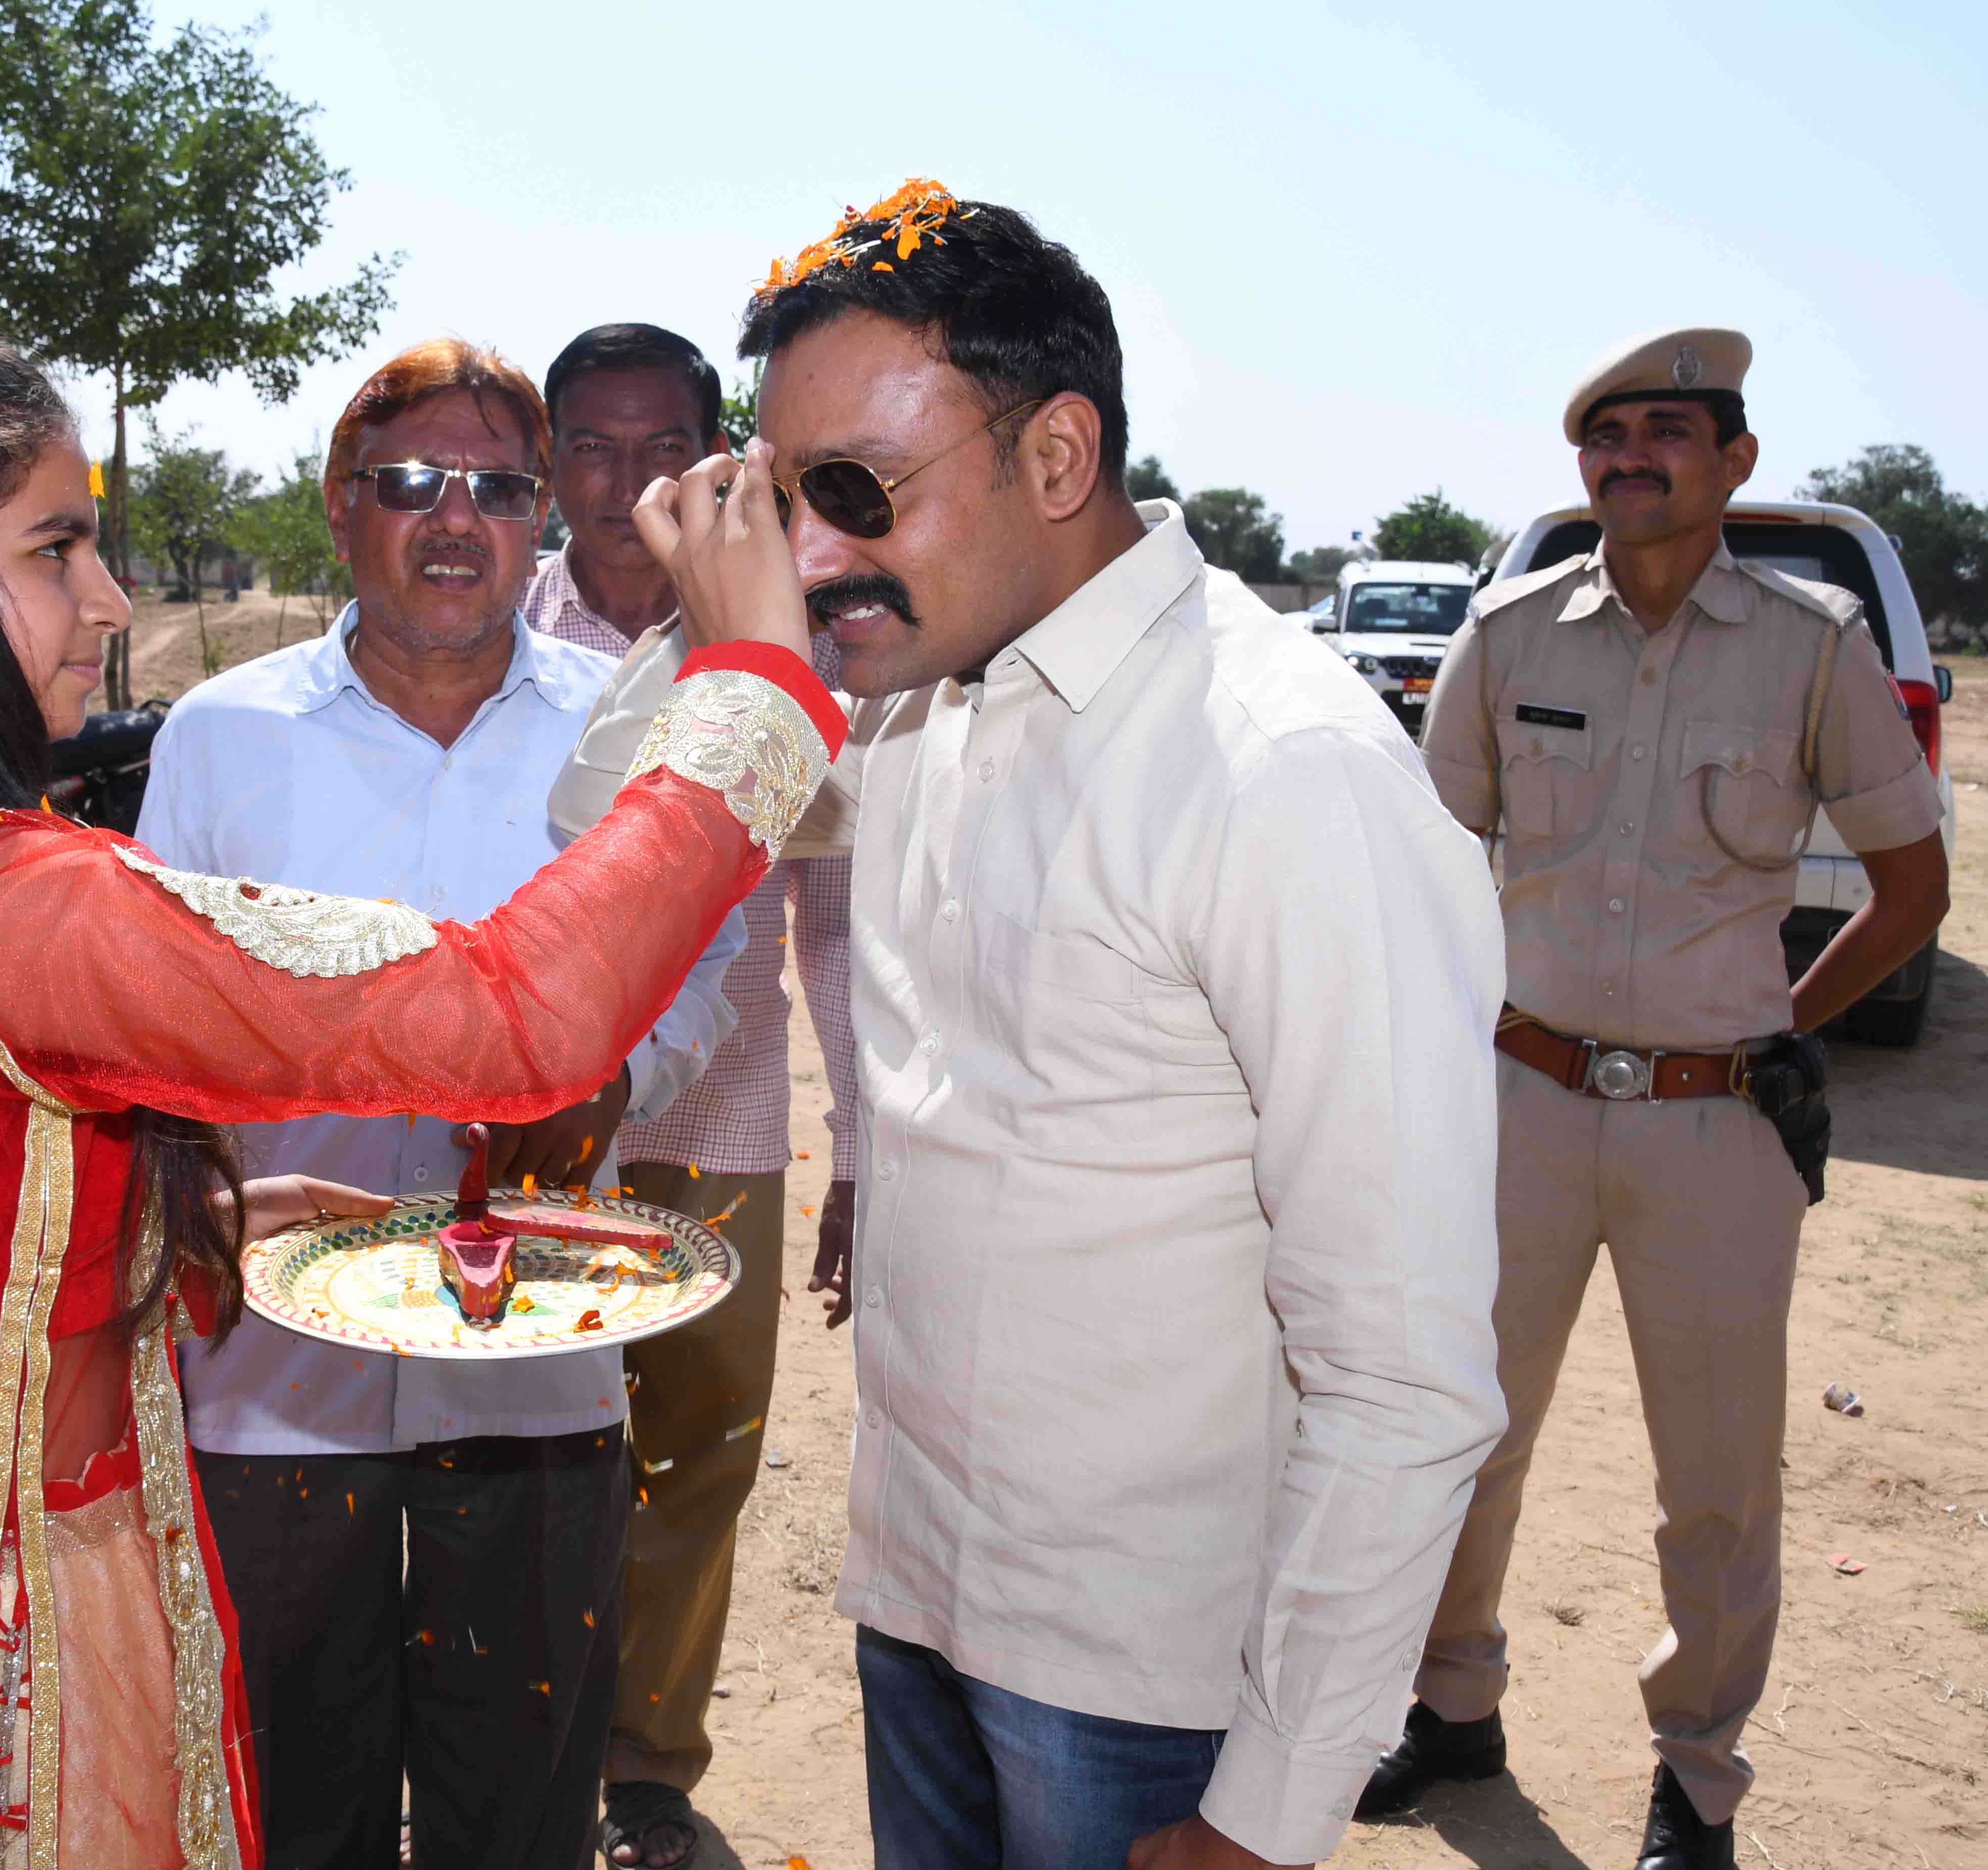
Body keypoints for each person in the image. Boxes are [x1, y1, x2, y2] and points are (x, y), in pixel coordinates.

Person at [0, 321, 841, 1869]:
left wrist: (172, 1229)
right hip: (10, 1651)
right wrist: (757, 684)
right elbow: (517, 1018)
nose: (113, 602)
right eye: (57, 549)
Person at [613, 183, 1510, 1870]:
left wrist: (1267, 1815)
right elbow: (590, 817)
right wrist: (723, 630)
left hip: (1141, 1683)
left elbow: (1404, 1369)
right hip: (917, 1593)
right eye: (783, 497)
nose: (813, 552)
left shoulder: (1281, 770)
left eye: (854, 492)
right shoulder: (911, 698)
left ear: (1055, 456)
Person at [135, 337, 742, 1870]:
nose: (457, 519)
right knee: (290, 1793)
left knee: (521, 1802)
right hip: (275, 1376)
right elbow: (149, 1023)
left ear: (542, 520)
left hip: (539, 1368)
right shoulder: (220, 736)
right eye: (412, 481)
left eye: (500, 488)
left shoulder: (627, 733)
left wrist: (615, 1075)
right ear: (342, 504)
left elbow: (702, 960)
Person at [1370, 329, 1952, 1869]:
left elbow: (1912, 890)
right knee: (1464, 1436)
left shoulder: (1812, 647)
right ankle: (1451, 1706)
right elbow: (1426, 868)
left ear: (1734, 461)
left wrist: (1782, 1028)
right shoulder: (1508, 637)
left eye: (1668, 431)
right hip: (1520, 1108)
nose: (1631, 457)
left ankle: (1695, 1782)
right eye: (1607, 434)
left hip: (1717, 1126)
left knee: (1717, 1483)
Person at [519, 321, 861, 1869]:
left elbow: (832, 922)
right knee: (518, 1453)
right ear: (550, 464)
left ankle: (647, 1766)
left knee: (700, 1452)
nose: (628, 483)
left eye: (667, 447)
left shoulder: (799, 645)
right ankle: (511, 1749)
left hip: (719, 1116)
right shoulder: (494, 641)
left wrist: (860, 1144)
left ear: (727, 459)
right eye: (592, 448)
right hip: (534, 1126)